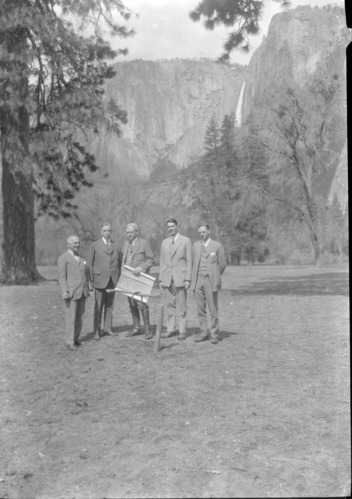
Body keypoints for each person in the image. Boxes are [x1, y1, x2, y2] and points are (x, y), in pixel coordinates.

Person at [190, 223, 226, 345]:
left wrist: (214, 274)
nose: (201, 234)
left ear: (209, 231)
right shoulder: (195, 246)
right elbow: (194, 262)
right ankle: (203, 333)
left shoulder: (217, 246)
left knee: (213, 309)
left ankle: (214, 334)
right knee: (200, 309)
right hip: (197, 280)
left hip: (210, 281)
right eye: (199, 232)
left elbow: (222, 264)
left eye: (203, 232)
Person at [87, 223, 122, 340]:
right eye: (105, 231)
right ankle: (96, 331)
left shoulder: (116, 246)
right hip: (99, 281)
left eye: (109, 231)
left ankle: (107, 329)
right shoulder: (95, 245)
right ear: (101, 232)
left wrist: (119, 278)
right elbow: (89, 264)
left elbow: (120, 263)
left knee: (109, 306)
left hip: (112, 281)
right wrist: (90, 281)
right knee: (98, 307)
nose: (107, 233)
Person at [58, 235, 92, 351]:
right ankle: (69, 341)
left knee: (80, 317)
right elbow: (62, 277)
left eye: (78, 243)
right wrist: (65, 290)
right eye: (74, 243)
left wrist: (89, 288)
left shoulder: (82, 259)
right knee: (71, 318)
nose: (77, 245)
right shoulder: (63, 258)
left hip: (83, 292)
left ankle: (76, 338)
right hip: (71, 293)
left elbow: (86, 276)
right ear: (68, 245)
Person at [159, 218, 192, 340]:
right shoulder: (164, 242)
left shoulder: (185, 241)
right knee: (169, 305)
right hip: (167, 278)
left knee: (182, 306)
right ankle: (170, 329)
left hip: (181, 278)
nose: (170, 228)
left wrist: (188, 279)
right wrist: (161, 279)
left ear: (177, 227)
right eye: (168, 227)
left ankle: (182, 330)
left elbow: (189, 261)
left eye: (172, 226)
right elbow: (162, 261)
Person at [122, 223, 155, 340]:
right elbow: (124, 260)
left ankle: (148, 330)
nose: (129, 235)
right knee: (132, 304)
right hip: (128, 279)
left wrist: (141, 268)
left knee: (142, 304)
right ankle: (136, 328)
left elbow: (151, 260)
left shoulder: (144, 243)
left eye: (131, 232)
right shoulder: (126, 244)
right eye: (127, 233)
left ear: (136, 232)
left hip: (140, 278)